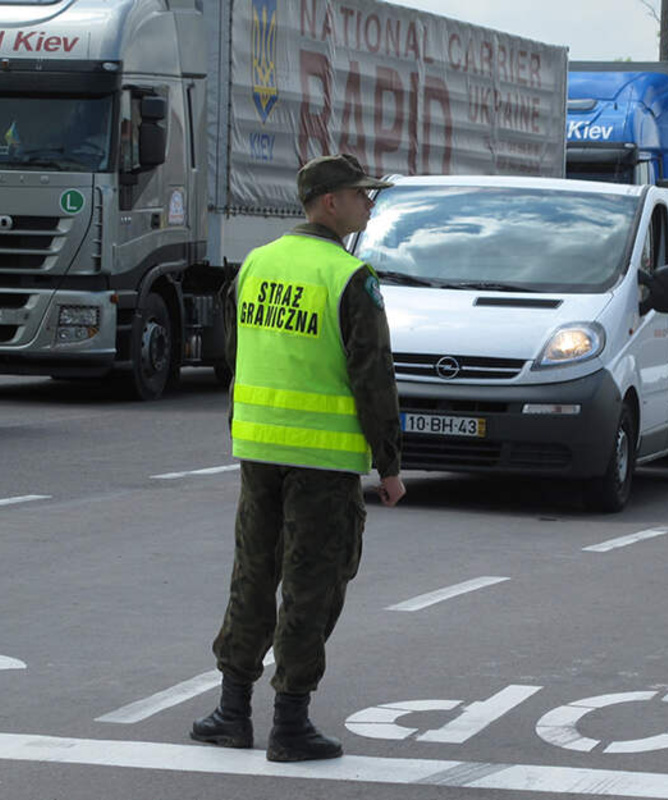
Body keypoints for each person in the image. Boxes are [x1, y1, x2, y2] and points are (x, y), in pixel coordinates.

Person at [191, 154, 406, 762]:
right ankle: (290, 722)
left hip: (259, 450)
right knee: (312, 586)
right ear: (330, 203)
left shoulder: (257, 263)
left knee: (252, 577)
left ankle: (231, 712)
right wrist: (388, 466)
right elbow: (374, 378)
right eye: (363, 195)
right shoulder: (348, 276)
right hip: (325, 460)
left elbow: (234, 353)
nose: (370, 205)